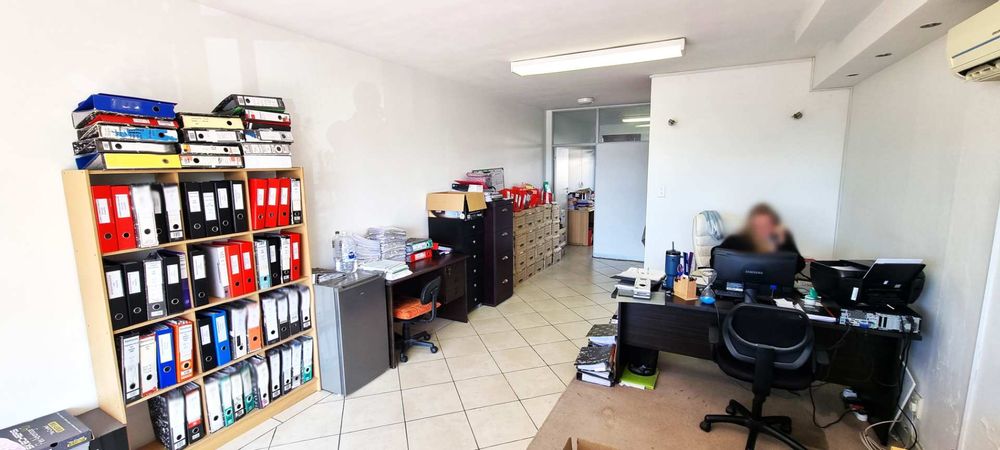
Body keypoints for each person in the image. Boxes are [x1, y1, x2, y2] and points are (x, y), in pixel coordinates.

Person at [712, 203, 806, 273]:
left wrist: (782, 245)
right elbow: (715, 261)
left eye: (766, 225)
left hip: (773, 290)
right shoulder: (736, 240)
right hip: (739, 287)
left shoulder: (782, 240)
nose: (761, 229)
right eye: (757, 225)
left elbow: (800, 265)